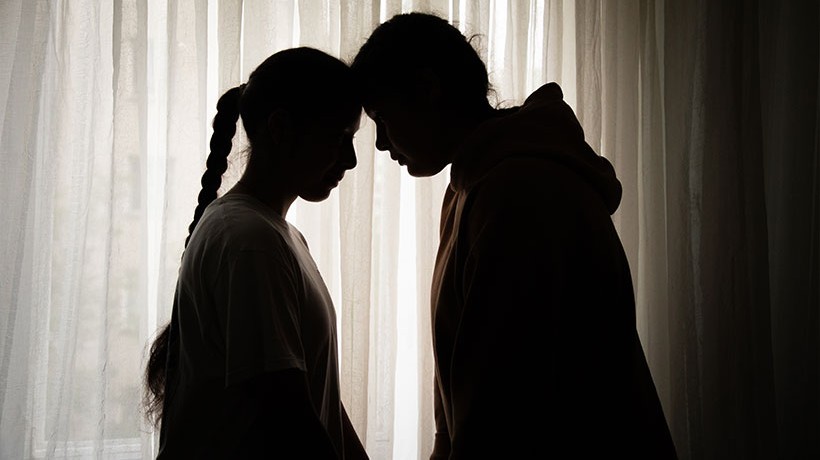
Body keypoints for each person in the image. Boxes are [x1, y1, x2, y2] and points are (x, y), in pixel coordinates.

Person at [351, 12, 678, 460]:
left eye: (383, 119)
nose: (381, 145)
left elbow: (507, 401)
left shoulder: (518, 192)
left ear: (427, 89)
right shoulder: (475, 186)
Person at [142, 47, 369, 459]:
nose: (350, 160)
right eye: (340, 138)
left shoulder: (277, 236)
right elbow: (286, 417)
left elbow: (319, 404)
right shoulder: (250, 240)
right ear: (281, 129)